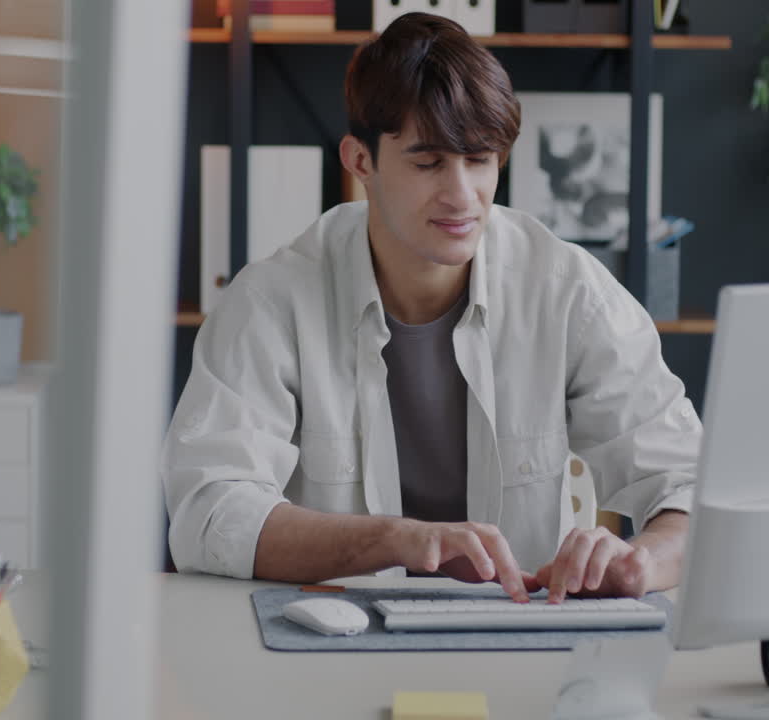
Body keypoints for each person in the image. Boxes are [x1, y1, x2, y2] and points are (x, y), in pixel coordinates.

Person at [162, 12, 700, 604]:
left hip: (524, 637)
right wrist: (400, 541)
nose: (462, 195)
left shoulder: (568, 290)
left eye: (480, 160)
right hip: (328, 643)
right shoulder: (270, 300)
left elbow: (694, 484)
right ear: (360, 161)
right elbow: (209, 514)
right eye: (428, 163)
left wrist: (640, 563)